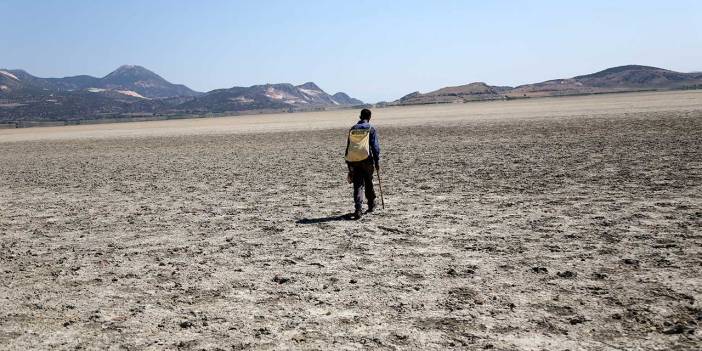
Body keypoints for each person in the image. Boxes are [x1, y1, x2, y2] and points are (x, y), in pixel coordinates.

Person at [344, 108, 380, 220]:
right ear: (369, 117)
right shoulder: (370, 128)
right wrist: (377, 161)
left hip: (354, 160)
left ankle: (358, 209)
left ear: (360, 116)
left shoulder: (353, 128)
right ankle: (371, 205)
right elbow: (375, 147)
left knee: (358, 185)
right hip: (366, 160)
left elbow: (349, 146)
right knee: (368, 182)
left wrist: (348, 163)